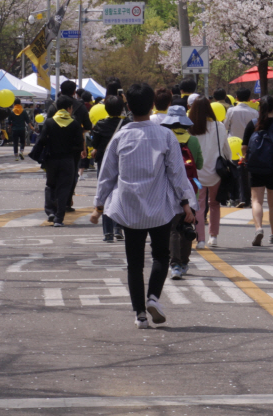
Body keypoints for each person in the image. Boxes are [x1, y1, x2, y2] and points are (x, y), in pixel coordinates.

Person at [91, 82, 196, 329]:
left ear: (128, 106)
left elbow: (107, 174)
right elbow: (177, 174)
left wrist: (98, 205)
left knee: (134, 263)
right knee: (161, 255)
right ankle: (153, 298)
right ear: (152, 105)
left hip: (130, 209)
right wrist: (187, 203)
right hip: (159, 206)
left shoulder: (120, 136)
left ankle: (139, 314)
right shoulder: (165, 135)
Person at [243, 97, 273, 245]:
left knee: (256, 200)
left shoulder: (252, 124)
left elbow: (244, 147)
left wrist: (247, 156)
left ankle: (258, 229)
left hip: (256, 167)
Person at [162, 105, 201, 278]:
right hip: (190, 188)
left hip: (167, 188)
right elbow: (199, 164)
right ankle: (184, 262)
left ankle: (175, 264)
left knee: (172, 228)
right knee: (187, 224)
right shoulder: (193, 140)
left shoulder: (164, 138)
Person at [33, 95, 84, 226]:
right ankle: (59, 218)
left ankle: (50, 211)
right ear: (69, 108)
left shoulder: (49, 122)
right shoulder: (75, 123)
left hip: (51, 160)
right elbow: (79, 145)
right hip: (68, 160)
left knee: (50, 185)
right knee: (64, 188)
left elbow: (42, 140)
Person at [190, 97, 229, 249]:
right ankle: (213, 236)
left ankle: (200, 239)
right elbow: (226, 150)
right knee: (214, 204)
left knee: (199, 206)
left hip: (197, 175)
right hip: (216, 173)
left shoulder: (191, 127)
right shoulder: (219, 126)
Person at [90, 94, 128, 242]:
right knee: (121, 193)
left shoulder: (100, 124)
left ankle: (107, 232)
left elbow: (95, 144)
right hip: (123, 162)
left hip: (104, 162)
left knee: (105, 193)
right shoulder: (127, 124)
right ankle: (119, 227)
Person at [224, 89, 257, 208]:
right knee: (246, 172)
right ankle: (245, 198)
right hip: (248, 145)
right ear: (249, 98)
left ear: (236, 97)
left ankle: (235, 197)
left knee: (233, 171)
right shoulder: (254, 112)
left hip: (232, 144)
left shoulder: (231, 111)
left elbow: (225, 126)